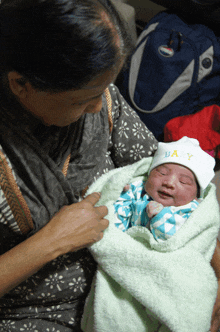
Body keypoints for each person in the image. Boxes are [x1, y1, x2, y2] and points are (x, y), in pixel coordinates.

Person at [0, 1, 158, 331]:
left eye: (103, 91)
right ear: (20, 85)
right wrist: (53, 240)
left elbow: (164, 167)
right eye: (81, 100)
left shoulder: (96, 95)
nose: (97, 107)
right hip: (38, 310)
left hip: (134, 271)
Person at [114, 136, 215, 241]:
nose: (169, 183)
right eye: (162, 173)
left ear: (196, 196)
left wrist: (160, 216)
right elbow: (115, 220)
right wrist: (120, 194)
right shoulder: (139, 190)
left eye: (183, 181)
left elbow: (178, 239)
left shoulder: (191, 210)